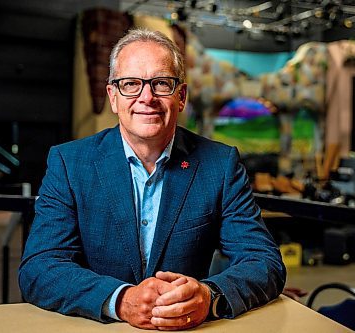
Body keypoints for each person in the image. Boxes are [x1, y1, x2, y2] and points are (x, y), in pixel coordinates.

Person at [18, 28, 286, 330]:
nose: (147, 97)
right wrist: (121, 300)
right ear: (113, 97)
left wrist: (209, 296)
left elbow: (264, 261)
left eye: (161, 83)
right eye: (131, 84)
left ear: (181, 96)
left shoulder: (220, 165)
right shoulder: (70, 163)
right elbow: (39, 267)